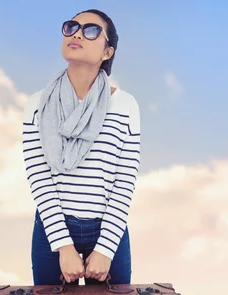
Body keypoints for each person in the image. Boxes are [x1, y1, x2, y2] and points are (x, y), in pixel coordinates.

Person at [21, 9, 141, 286]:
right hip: (52, 227)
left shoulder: (125, 106)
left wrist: (105, 248)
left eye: (91, 30)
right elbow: (38, 175)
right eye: (72, 27)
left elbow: (125, 179)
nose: (76, 33)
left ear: (107, 52)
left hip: (108, 229)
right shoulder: (37, 104)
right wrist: (63, 246)